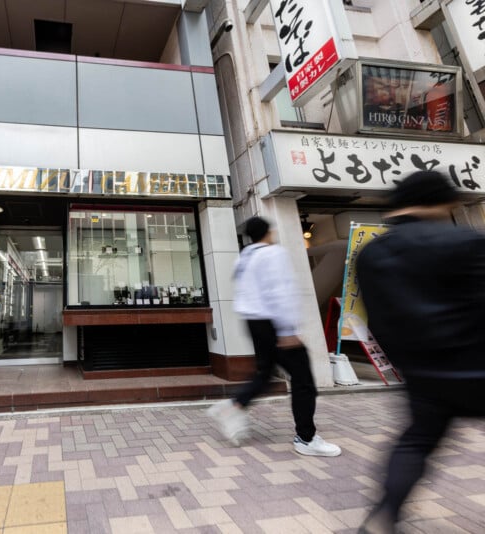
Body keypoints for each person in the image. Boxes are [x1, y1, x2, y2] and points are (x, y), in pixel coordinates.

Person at [356, 171, 485, 533]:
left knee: (416, 443)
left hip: (424, 375)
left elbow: (376, 319)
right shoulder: (468, 241)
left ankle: (382, 517)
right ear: (441, 201)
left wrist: (405, 364)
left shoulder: (371, 254)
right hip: (478, 366)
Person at [207, 216, 341, 457]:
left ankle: (233, 406)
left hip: (253, 322)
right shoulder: (273, 254)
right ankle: (306, 438)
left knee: (265, 373)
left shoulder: (244, 258)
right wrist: (287, 330)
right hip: (272, 323)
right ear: (268, 232)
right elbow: (280, 291)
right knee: (303, 381)